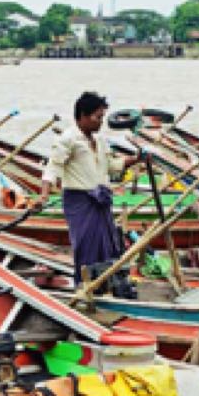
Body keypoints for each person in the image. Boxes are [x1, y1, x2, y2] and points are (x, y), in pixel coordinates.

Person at [35, 91, 125, 285]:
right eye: (97, 117)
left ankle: (101, 284)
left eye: (102, 117)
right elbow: (53, 167)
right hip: (80, 202)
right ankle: (84, 285)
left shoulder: (99, 140)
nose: (101, 122)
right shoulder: (68, 139)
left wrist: (135, 160)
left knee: (106, 246)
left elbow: (111, 167)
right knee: (85, 246)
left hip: (100, 200)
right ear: (83, 115)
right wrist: (43, 196)